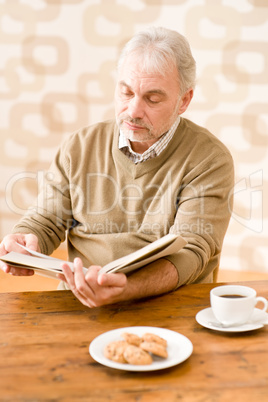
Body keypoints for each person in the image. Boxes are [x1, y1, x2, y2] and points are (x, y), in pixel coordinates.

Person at [0, 27, 234, 308]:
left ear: (184, 100)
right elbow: (46, 220)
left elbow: (192, 251)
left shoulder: (209, 159)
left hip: (170, 306)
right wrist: (28, 239)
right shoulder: (79, 146)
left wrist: (125, 289)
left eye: (153, 99)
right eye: (126, 92)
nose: (133, 110)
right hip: (81, 299)